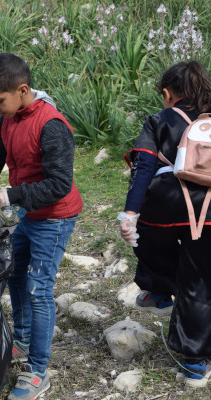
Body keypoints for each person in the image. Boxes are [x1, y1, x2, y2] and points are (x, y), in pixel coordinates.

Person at [0, 53, 82, 400]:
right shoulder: (7, 120)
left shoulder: (52, 125)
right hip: (28, 211)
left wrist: (9, 195)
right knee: (15, 273)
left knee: (38, 288)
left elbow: (59, 184)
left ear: (23, 90)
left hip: (55, 216)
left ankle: (38, 371)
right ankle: (24, 339)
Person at [119, 61, 211, 388]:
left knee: (149, 241)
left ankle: (158, 292)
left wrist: (130, 214)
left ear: (168, 93)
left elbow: (143, 166)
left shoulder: (160, 119)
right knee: (198, 280)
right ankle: (195, 367)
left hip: (163, 206)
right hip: (209, 209)